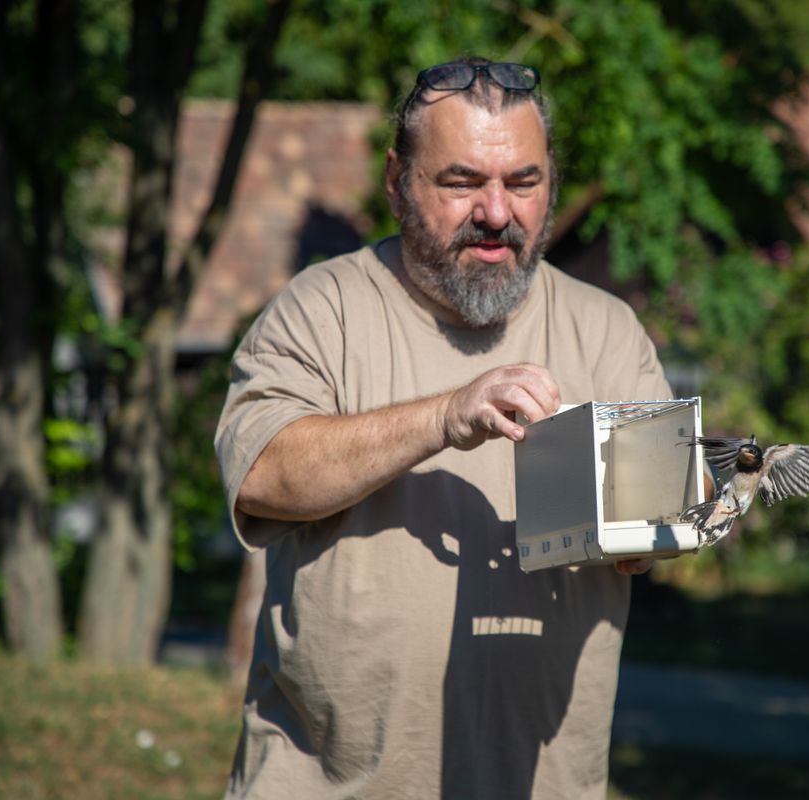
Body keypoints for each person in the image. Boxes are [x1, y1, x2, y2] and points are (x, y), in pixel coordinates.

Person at [214, 57, 671, 798]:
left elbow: (658, 523)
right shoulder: (320, 309)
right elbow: (266, 475)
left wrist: (655, 534)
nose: (497, 212)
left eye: (523, 182)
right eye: (462, 183)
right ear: (397, 180)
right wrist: (444, 415)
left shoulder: (608, 331)